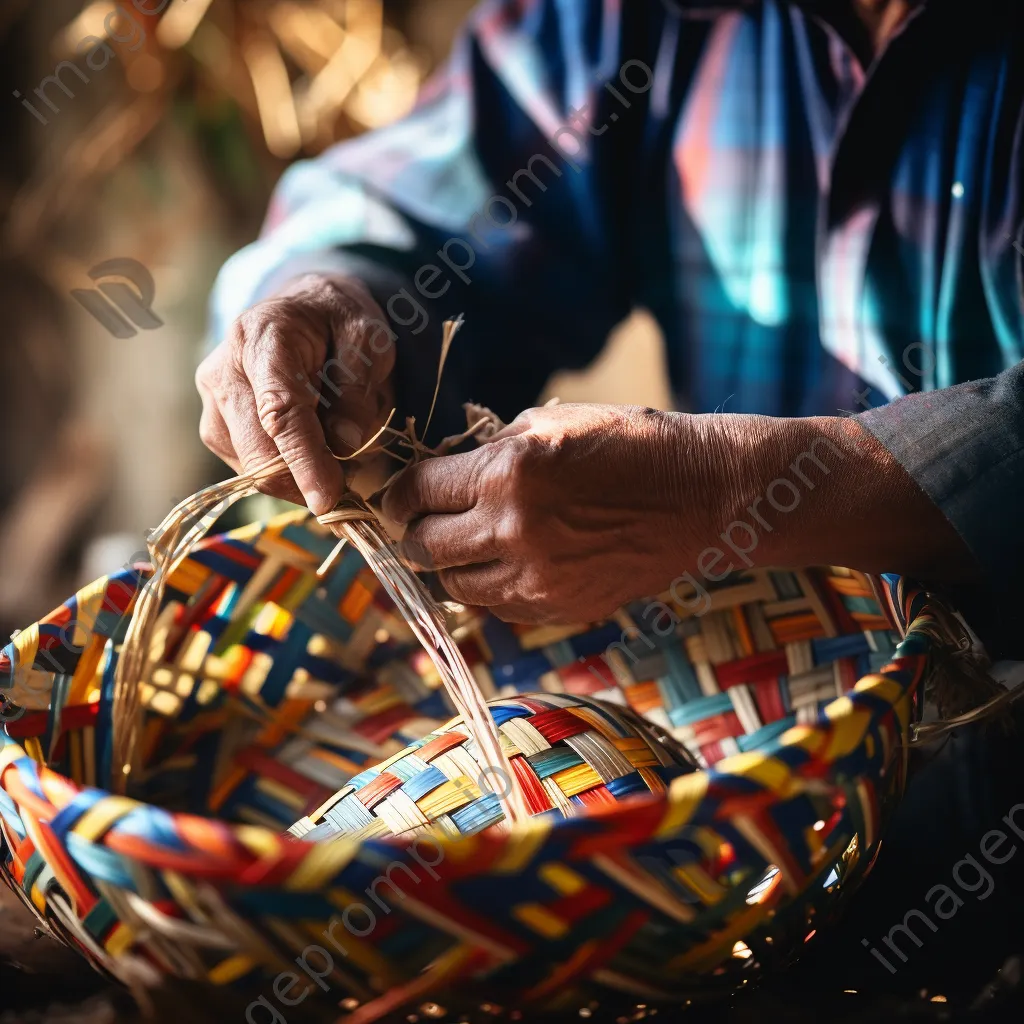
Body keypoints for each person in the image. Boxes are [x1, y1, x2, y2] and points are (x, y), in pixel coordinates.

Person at [201, 0, 1024, 999]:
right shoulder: (642, 20)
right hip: (754, 815)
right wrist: (328, 295)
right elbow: (441, 193)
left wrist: (731, 490)